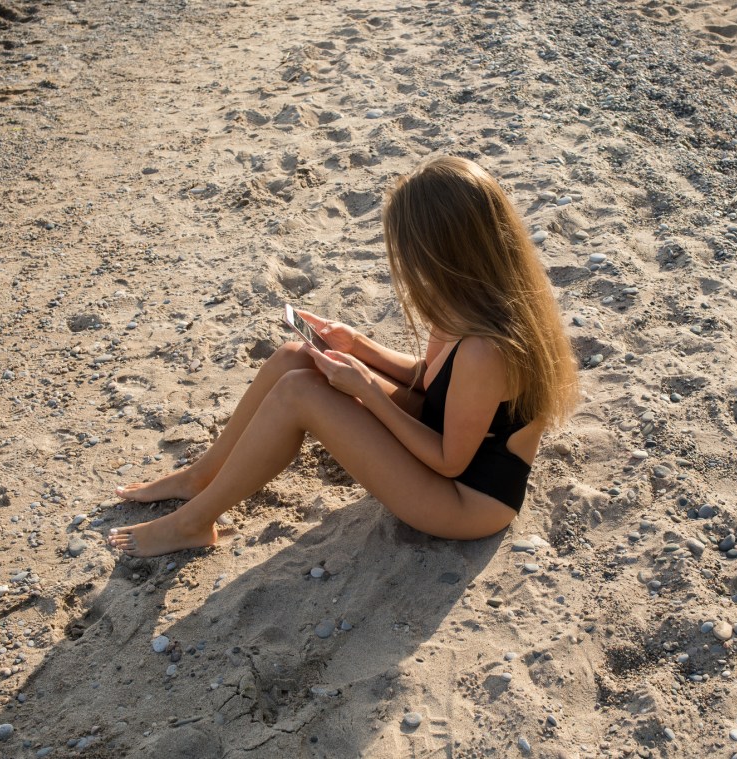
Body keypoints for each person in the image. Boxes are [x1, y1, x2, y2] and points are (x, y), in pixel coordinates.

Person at [107, 156, 577, 557]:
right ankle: (200, 478)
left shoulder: (485, 348)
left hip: (467, 501)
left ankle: (193, 523)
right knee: (297, 356)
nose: (410, 268)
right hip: (448, 447)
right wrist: (360, 348)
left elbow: (448, 461)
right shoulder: (469, 302)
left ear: (447, 253)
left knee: (299, 394)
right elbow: (431, 381)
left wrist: (366, 388)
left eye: (414, 255)